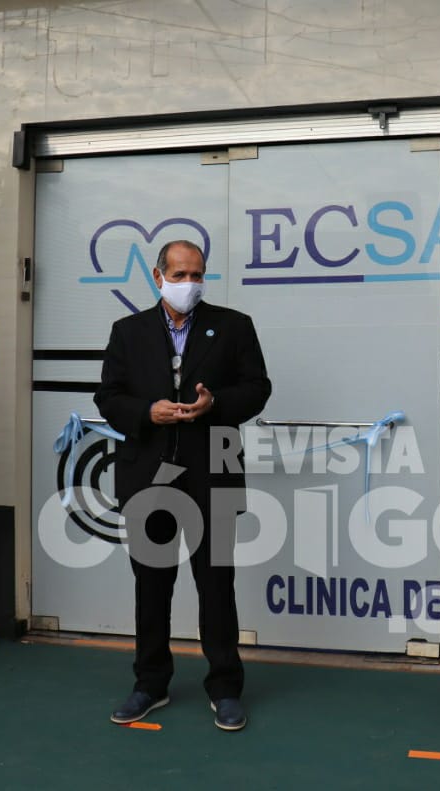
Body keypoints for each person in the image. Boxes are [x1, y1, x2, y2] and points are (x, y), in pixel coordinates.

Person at [94, 239, 271, 731]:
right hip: (147, 474)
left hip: (213, 471)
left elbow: (258, 389)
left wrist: (216, 404)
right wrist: (146, 412)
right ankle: (150, 684)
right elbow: (108, 396)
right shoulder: (127, 332)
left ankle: (225, 687)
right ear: (158, 277)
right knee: (151, 586)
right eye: (180, 274)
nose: (189, 283)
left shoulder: (234, 326)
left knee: (216, 586)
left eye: (197, 274)